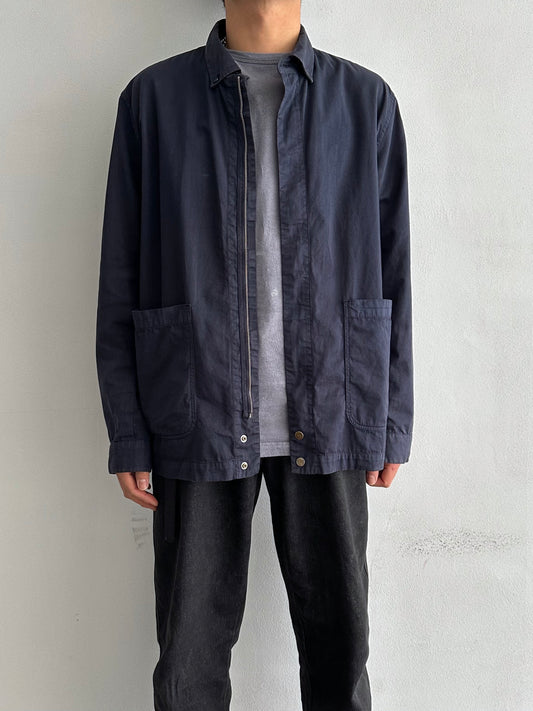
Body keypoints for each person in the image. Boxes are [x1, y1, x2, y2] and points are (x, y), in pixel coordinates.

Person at [95, 0, 414, 709]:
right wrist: (128, 428)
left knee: (341, 657)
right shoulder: (153, 100)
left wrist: (390, 418)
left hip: (333, 403)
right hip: (194, 408)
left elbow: (393, 272)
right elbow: (120, 275)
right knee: (188, 664)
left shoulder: (364, 100)